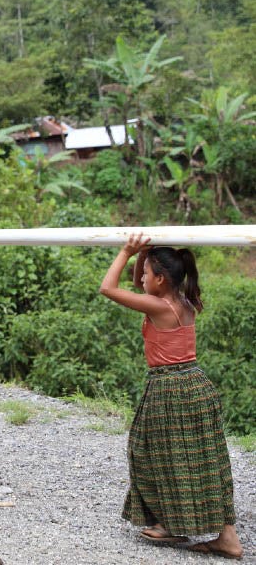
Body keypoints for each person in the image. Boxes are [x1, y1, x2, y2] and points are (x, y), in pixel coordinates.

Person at [99, 233, 242, 559]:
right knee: (206, 461)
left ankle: (170, 524)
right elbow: (141, 284)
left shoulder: (160, 305)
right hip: (194, 385)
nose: (142, 278)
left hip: (171, 389)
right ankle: (221, 535)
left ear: (161, 279)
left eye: (148, 273)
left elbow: (108, 288)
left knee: (148, 452)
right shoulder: (184, 300)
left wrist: (126, 251)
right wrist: (145, 253)